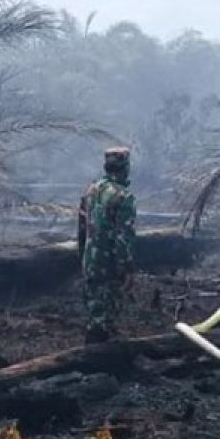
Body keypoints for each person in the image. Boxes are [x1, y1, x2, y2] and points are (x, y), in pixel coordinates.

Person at [78, 147, 137, 343]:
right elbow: (123, 237)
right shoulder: (123, 196)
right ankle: (100, 360)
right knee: (106, 316)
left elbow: (81, 228)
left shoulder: (90, 190)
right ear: (125, 167)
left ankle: (91, 353)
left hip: (90, 261)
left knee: (94, 310)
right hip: (109, 265)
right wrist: (127, 268)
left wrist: (82, 257)